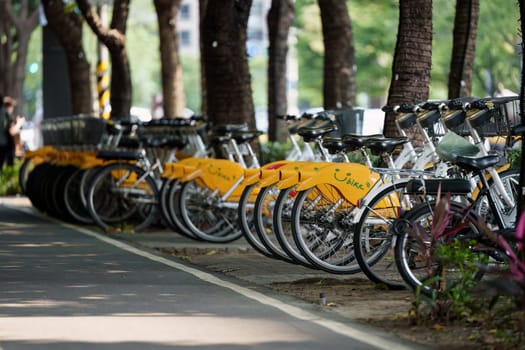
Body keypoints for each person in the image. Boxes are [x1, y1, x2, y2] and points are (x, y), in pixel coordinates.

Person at [0, 96, 25, 170]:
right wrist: (19, 123)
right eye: (12, 107)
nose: (12, 109)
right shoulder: (4, 114)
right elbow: (11, 131)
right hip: (3, 147)